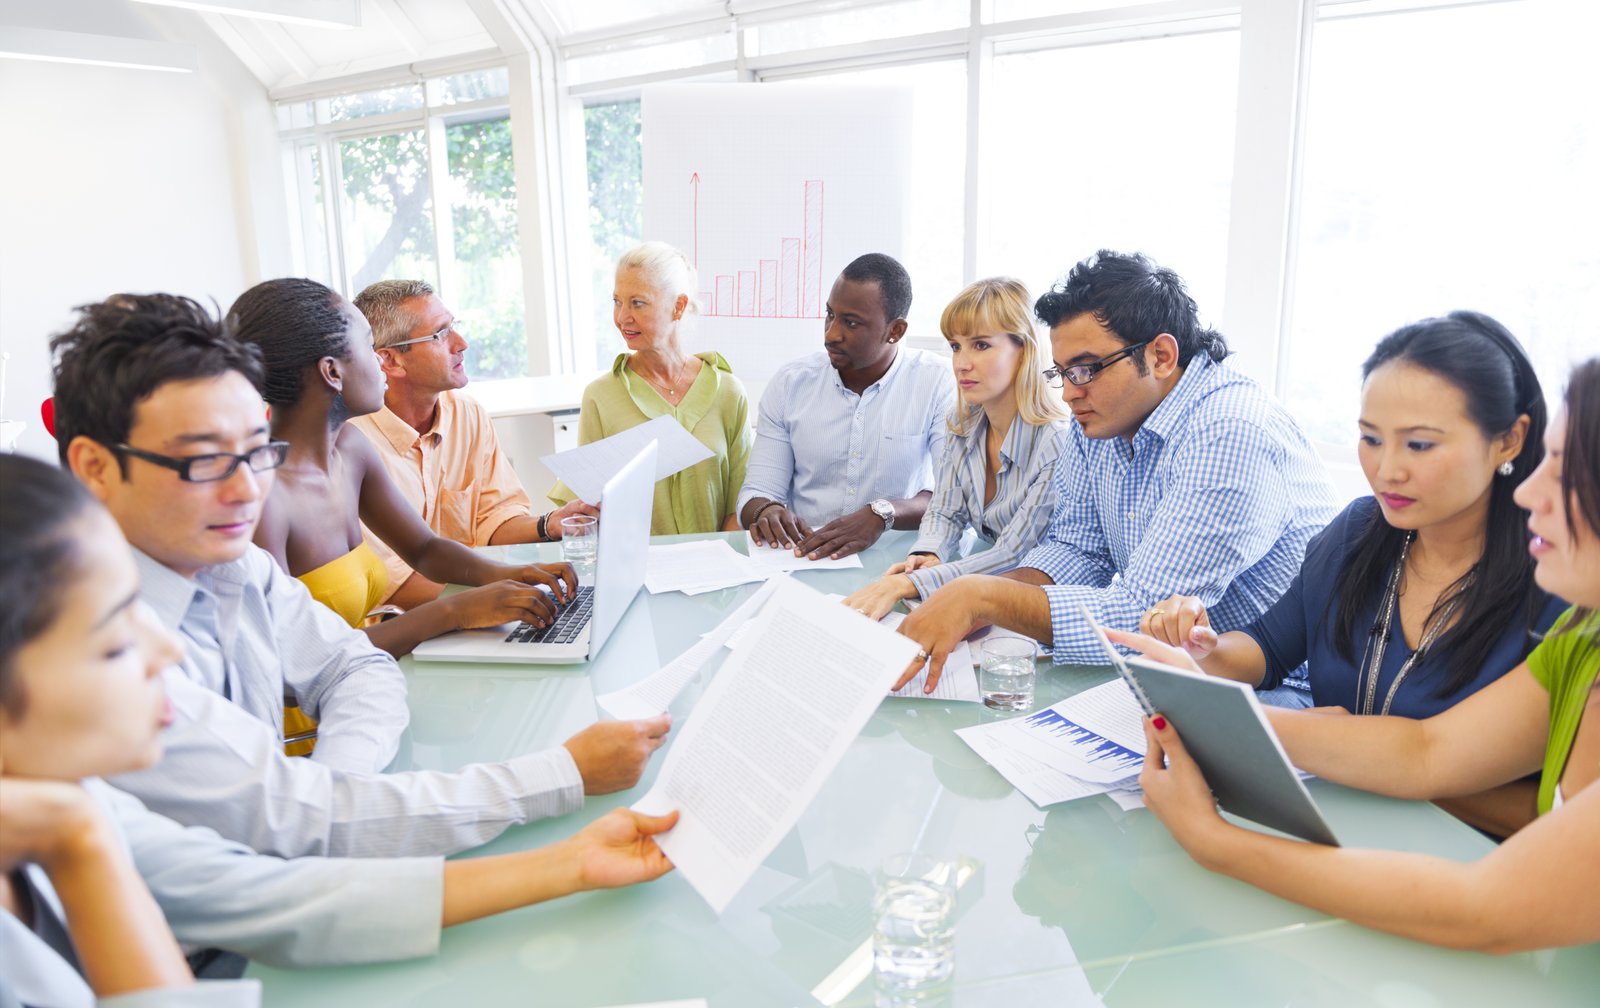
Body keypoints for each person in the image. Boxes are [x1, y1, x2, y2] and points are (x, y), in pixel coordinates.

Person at [0, 453, 677, 1003]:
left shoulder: (77, 806)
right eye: (113, 645)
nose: (165, 652)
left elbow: (277, 895)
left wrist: (571, 862)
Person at [50, 293, 669, 859]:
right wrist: (557, 773)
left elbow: (355, 667)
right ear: (95, 468)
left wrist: (326, 797)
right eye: (209, 460)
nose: (245, 489)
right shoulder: (108, 658)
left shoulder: (235, 564)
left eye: (254, 451)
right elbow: (287, 836)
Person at [1110, 356, 1600, 952]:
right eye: (1370, 438)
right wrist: (1213, 705)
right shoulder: (1582, 636)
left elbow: (1488, 906)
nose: (1529, 491)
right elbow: (1427, 752)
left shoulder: (1550, 600)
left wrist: (1213, 839)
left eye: (1566, 471)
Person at [1139, 313, 1564, 835]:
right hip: (1336, 826)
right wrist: (1202, 649)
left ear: (1509, 440)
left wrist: (1350, 747)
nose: (1388, 470)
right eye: (1370, 439)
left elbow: (1550, 813)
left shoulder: (1559, 584)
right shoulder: (1359, 530)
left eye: (1420, 445)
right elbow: (1269, 650)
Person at [897, 250, 1337, 696]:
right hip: (1176, 670)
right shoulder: (1101, 420)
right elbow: (1077, 550)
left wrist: (981, 597)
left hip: (1287, 690)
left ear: (1161, 356)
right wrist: (976, 599)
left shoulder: (1230, 431)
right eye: (1062, 372)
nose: (1069, 393)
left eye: (1086, 369)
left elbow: (1140, 615)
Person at [228, 277, 575, 658]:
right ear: (332, 372)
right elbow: (293, 663)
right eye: (367, 346)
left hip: (361, 679)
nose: (381, 362)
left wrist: (508, 575)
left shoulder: (349, 448)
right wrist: (454, 611)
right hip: (309, 713)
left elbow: (425, 549)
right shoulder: (263, 496)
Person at [348, 279, 596, 610]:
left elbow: (492, 520)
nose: (462, 343)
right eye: (439, 334)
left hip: (474, 608)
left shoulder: (466, 414)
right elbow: (390, 584)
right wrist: (501, 595)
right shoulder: (350, 445)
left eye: (454, 327)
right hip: (401, 629)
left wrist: (549, 524)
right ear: (390, 361)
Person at [843, 278, 1070, 619]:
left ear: (1023, 350)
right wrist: (930, 553)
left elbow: (1014, 552)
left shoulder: (1056, 442)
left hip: (1039, 599)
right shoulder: (962, 425)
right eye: (955, 346)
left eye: (980, 345)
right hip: (984, 586)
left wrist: (910, 584)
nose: (962, 363)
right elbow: (946, 510)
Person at [737, 252, 956, 560]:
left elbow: (952, 498)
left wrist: (883, 514)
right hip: (805, 559)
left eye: (851, 323)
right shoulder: (790, 384)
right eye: (830, 315)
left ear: (895, 331)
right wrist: (767, 510)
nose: (831, 334)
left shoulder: (937, 383)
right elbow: (755, 493)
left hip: (895, 562)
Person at [547, 242, 753, 535]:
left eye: (637, 303)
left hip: (718, 567)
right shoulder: (601, 396)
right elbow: (588, 507)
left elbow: (741, 503)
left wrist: (717, 562)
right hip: (637, 572)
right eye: (617, 301)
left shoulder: (728, 392)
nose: (622, 317)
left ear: (678, 307)